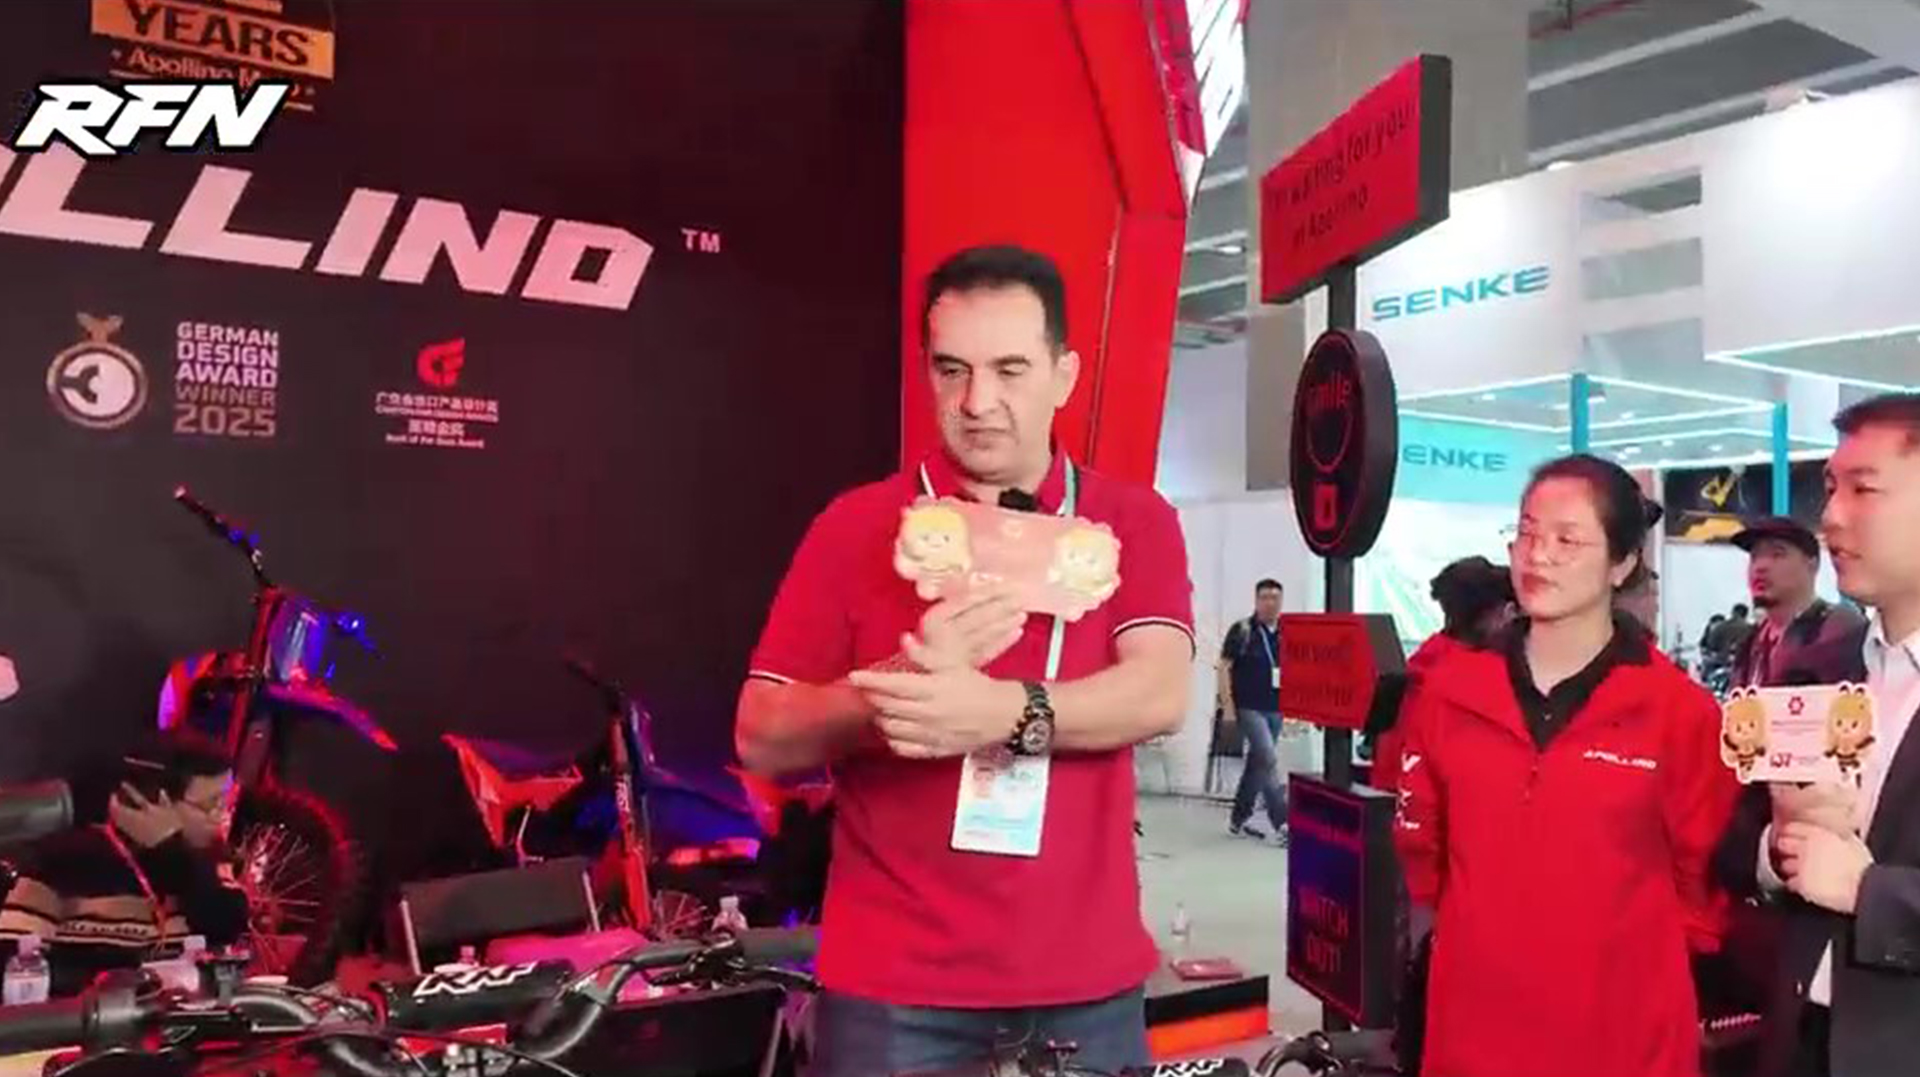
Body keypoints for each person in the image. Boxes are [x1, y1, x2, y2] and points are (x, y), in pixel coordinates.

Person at [734, 245, 1194, 1077]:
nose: (978, 402)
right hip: (893, 990)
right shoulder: (854, 525)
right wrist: (897, 691)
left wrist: (1005, 713)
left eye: (1010, 370)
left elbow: (1159, 691)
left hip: (1083, 982)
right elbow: (761, 733)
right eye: (953, 370)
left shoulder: (1134, 519)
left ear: (1063, 374)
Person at [1393, 454, 1739, 1077]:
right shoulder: (1450, 693)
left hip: (1622, 1032)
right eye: (1527, 533)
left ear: (1622, 563)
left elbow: (1703, 882)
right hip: (1476, 1026)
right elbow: (1425, 851)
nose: (1538, 556)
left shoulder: (1677, 711)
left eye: (1566, 540)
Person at [1712, 393, 1920, 1077]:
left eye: (1864, 489)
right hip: (1801, 1037)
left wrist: (1869, 891)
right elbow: (1738, 838)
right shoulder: (1817, 671)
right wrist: (1780, 847)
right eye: (1831, 488)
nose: (1831, 516)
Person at [0, 728, 246, 997]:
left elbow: (227, 926)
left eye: (227, 800)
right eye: (210, 805)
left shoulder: (208, 860)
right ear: (154, 801)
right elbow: (12, 964)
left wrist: (169, 850)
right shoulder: (62, 861)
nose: (221, 816)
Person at [1730, 516, 1866, 689]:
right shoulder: (1751, 643)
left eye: (1777, 554)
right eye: (1754, 557)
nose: (1760, 566)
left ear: (1812, 564)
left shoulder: (1840, 630)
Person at [1217, 579, 1288, 842]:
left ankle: (1239, 818)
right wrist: (1228, 706)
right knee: (1267, 758)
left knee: (1257, 764)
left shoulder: (1287, 632)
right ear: (1256, 601)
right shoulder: (1243, 630)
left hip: (1276, 707)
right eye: (1265, 597)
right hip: (1248, 706)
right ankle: (1282, 822)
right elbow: (1224, 667)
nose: (1270, 603)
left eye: (1275, 598)